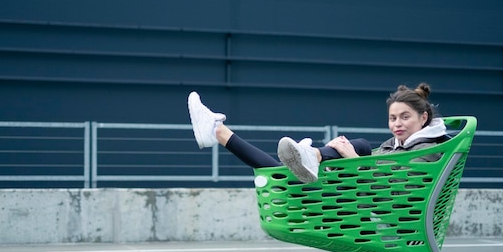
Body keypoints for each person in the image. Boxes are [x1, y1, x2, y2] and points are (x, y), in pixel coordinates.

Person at [187, 83, 447, 183]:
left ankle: (218, 131)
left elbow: (399, 185)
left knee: (360, 147)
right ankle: (218, 131)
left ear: (423, 118)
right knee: (282, 173)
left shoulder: (431, 148)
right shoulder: (394, 146)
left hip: (394, 212)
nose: (397, 124)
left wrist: (352, 159)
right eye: (392, 118)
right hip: (364, 196)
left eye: (405, 117)